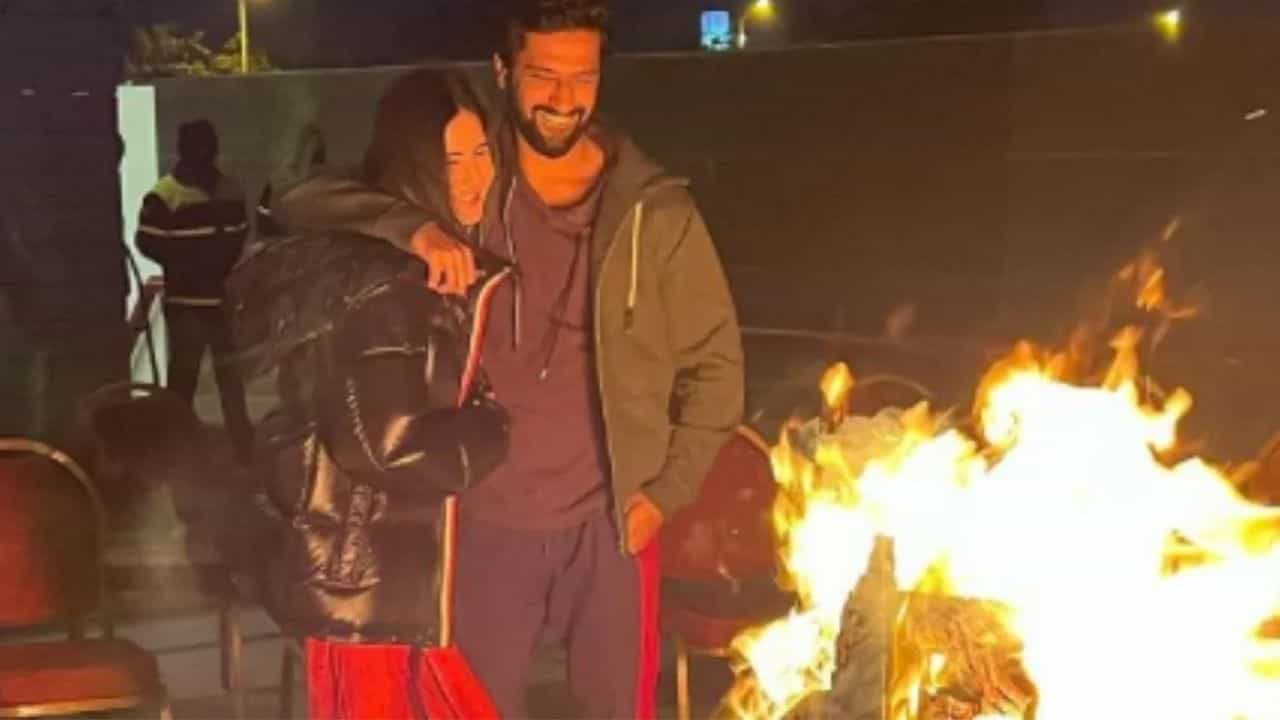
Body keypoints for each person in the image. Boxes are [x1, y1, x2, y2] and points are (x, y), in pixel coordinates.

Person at [273, 1, 745, 716]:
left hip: (611, 526)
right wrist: (411, 227)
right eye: (543, 74)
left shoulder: (656, 211)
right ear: (503, 71)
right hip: (479, 523)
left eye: (582, 76)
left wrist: (665, 494)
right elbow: (301, 200)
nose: (563, 98)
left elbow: (718, 368)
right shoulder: (468, 173)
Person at [230, 69, 508, 718]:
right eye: (451, 160)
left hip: (380, 581)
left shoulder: (411, 262)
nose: (473, 176)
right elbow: (386, 447)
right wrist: (492, 429)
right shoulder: (393, 282)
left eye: (481, 153)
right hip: (366, 585)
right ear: (414, 166)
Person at [135, 119, 255, 463]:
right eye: (198, 146)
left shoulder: (230, 190)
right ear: (183, 150)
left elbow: (240, 232)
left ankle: (242, 446)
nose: (205, 153)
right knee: (183, 380)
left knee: (230, 379)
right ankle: (178, 450)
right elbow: (147, 242)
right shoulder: (165, 195)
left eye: (208, 146)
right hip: (187, 302)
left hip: (223, 301)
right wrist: (191, 262)